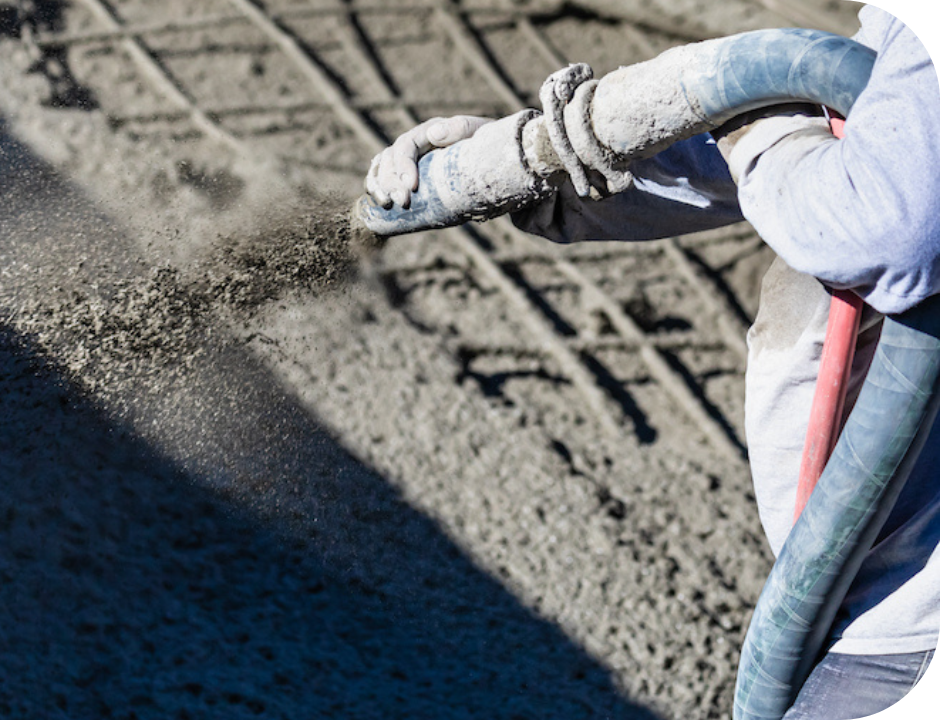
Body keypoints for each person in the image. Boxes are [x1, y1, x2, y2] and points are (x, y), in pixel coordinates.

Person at [365, 6, 937, 718]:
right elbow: (859, 142)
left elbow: (887, 226)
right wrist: (525, 166)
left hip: (909, 625)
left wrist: (761, 118)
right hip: (870, 599)